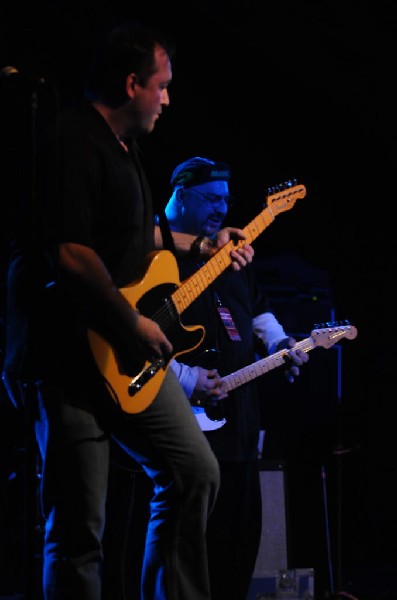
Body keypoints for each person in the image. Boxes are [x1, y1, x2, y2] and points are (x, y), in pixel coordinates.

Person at [1, 23, 255, 600]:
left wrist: (204, 246)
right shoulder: (71, 139)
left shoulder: (125, 148)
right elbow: (68, 251)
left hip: (122, 352)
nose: (167, 100)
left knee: (195, 471)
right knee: (78, 530)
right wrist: (131, 322)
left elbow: (137, 241)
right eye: (161, 86)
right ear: (132, 82)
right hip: (68, 356)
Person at [162, 156, 309, 600]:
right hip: (179, 413)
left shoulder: (226, 250)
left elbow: (256, 304)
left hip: (239, 417)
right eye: (211, 199)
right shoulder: (154, 252)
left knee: (239, 538)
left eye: (226, 200)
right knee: (188, 538)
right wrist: (185, 378)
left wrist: (281, 342)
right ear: (181, 195)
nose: (221, 210)